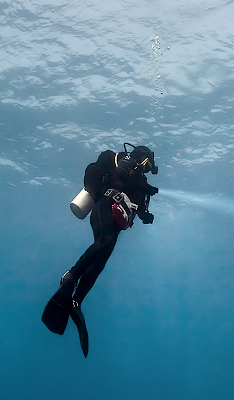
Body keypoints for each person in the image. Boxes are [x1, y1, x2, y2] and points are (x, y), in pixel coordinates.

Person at [42, 144, 158, 357]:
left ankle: (77, 300)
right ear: (143, 158)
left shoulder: (142, 183)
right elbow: (92, 172)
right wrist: (121, 172)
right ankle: (70, 277)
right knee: (102, 244)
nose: (148, 168)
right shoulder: (115, 159)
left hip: (116, 224)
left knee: (101, 261)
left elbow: (140, 211)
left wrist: (146, 215)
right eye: (148, 163)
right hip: (103, 208)